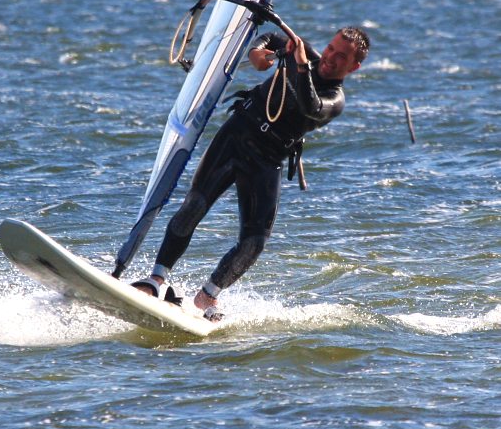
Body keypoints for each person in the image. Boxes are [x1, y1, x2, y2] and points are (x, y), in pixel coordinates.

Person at [132, 26, 370, 320]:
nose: (331, 57)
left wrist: (297, 64)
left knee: (255, 241)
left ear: (354, 66)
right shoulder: (302, 50)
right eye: (332, 48)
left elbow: (311, 106)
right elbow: (270, 35)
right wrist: (257, 52)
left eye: (342, 56)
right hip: (238, 135)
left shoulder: (335, 99)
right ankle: (156, 280)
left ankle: (208, 295)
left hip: (268, 157)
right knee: (194, 205)